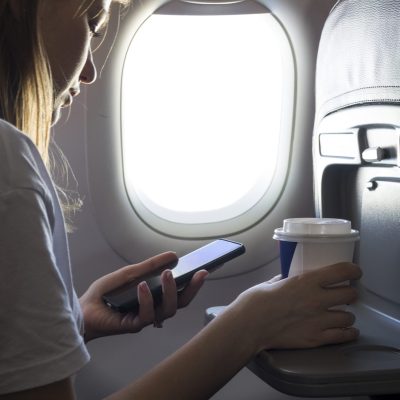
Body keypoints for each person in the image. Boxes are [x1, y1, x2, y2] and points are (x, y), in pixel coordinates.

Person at [0, 1, 362, 399]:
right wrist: (247, 326)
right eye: (90, 25)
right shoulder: (7, 162)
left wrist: (76, 321)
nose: (89, 72)